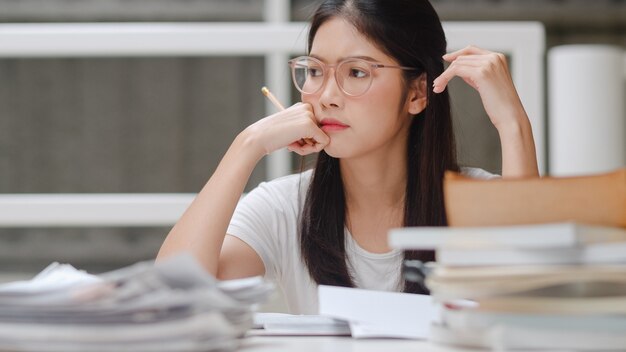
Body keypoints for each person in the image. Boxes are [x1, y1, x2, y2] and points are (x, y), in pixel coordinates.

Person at [157, 0, 539, 314]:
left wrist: (513, 124)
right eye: (315, 71)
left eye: (356, 72)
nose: (326, 95)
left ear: (418, 93)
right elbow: (174, 294)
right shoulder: (284, 208)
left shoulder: (479, 203)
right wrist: (247, 146)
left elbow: (530, 304)